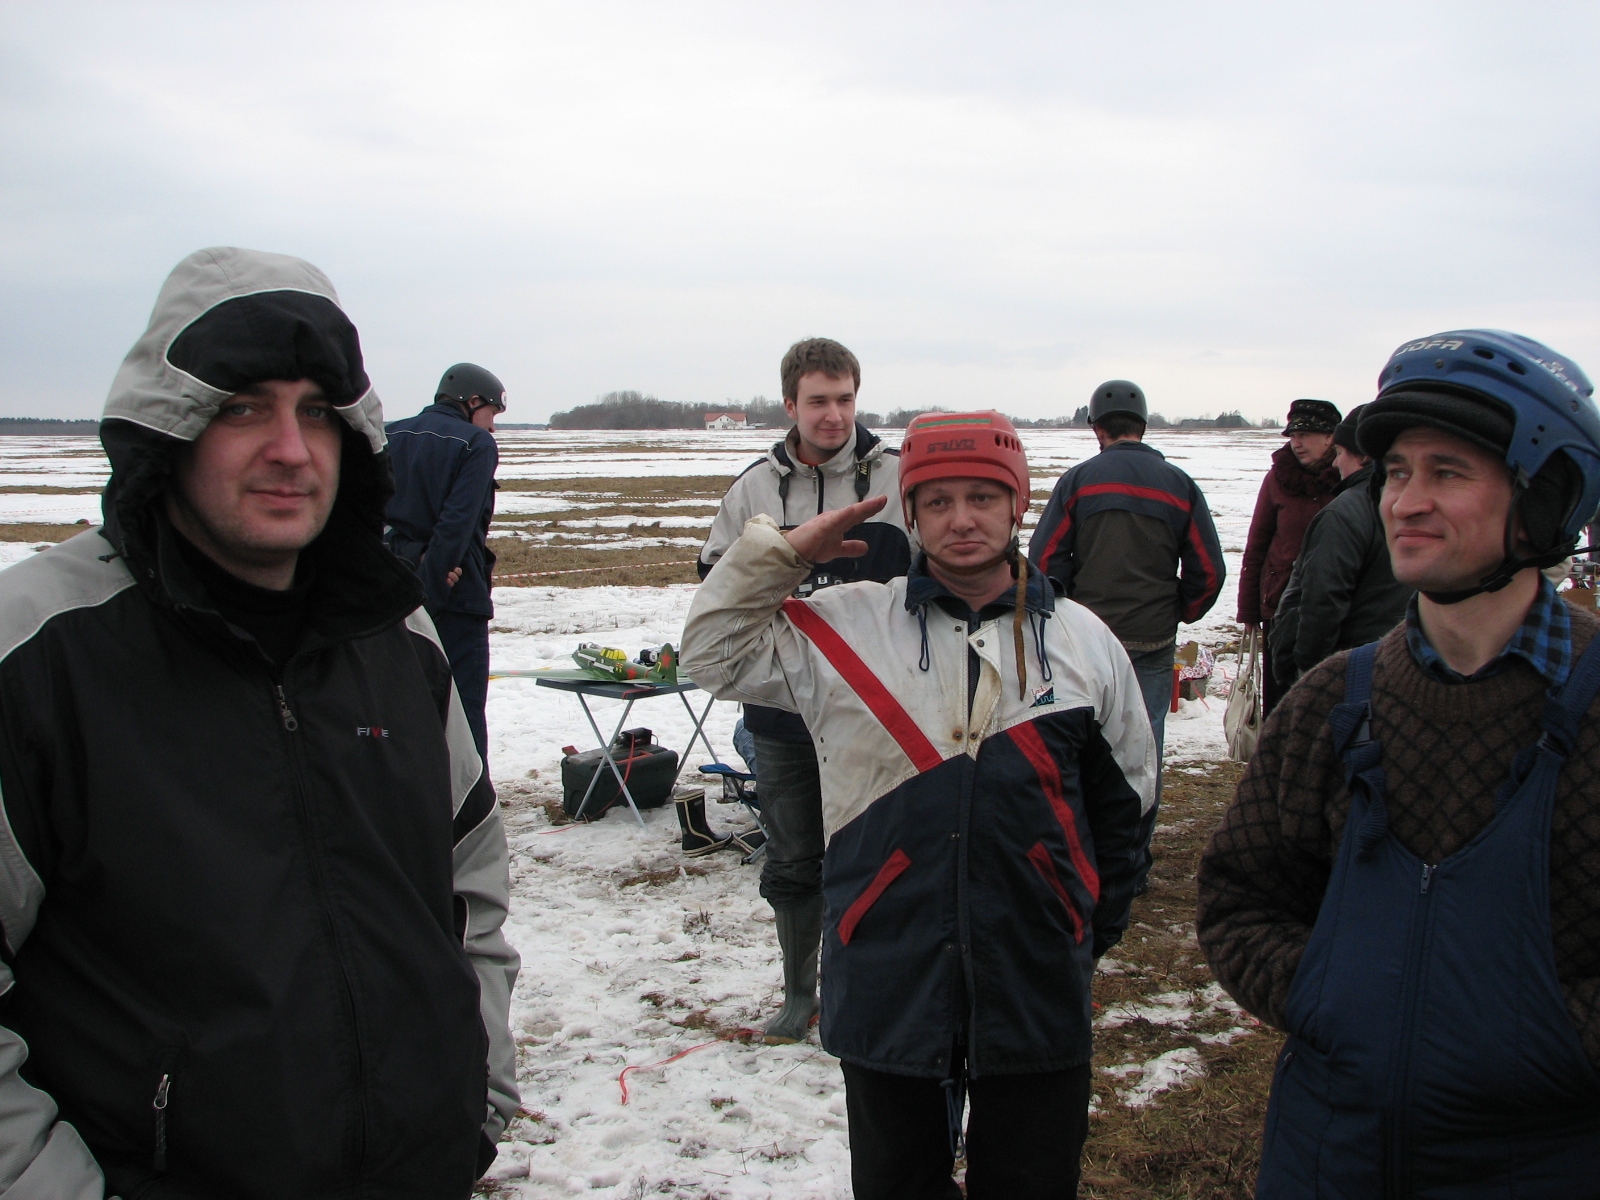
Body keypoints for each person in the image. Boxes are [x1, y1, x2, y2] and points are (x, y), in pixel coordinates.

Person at [0, 247, 520, 1198]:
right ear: (167, 427)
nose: (290, 448)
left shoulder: (397, 639)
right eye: (243, 408)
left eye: (317, 411)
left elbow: (471, 880)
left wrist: (473, 1093)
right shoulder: (39, 652)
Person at [683, 411, 1153, 1199]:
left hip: (1034, 982)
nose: (961, 519)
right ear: (910, 513)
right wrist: (782, 555)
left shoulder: (1081, 641)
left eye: (983, 498)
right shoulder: (848, 624)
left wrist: (1079, 928)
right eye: (937, 501)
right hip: (886, 974)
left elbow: (1127, 805)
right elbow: (710, 655)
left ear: (1018, 506)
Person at [1197, 329, 1600, 1195]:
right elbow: (1239, 898)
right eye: (1397, 473)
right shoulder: (1333, 702)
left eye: (1448, 473)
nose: (1406, 503)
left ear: (1545, 497)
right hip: (1328, 1155)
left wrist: (1541, 1042)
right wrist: (1335, 1001)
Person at [696, 337, 909, 1044]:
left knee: (878, 854)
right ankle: (799, 992)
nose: (833, 415)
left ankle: (868, 986)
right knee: (792, 860)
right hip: (780, 710)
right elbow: (717, 589)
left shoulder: (898, 477)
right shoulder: (754, 489)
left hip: (875, 711)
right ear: (790, 404)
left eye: (845, 399)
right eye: (818, 401)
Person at [1029, 379, 1225, 888]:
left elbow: (1045, 561)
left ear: (1096, 428)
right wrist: (1176, 612)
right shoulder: (1180, 485)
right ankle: (1130, 865)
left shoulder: (1077, 482)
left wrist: (1066, 616)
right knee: (1144, 751)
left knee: (1079, 744)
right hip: (1151, 645)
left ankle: (1079, 857)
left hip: (1085, 643)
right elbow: (1209, 571)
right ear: (1143, 425)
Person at [385, 363, 506, 763]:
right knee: (462, 716)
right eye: (491, 413)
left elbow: (372, 520)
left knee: (400, 710)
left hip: (392, 595)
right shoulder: (476, 444)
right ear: (472, 401)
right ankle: (470, 797)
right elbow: (457, 526)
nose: (492, 426)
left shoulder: (390, 435)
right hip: (456, 600)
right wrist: (431, 593)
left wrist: (406, 562)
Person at [1269, 403, 1413, 686]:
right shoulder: (1405, 503)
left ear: (1364, 455)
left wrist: (1308, 670)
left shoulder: (1343, 514)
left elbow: (1323, 601)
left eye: (1340, 453)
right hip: (1394, 659)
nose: (1335, 463)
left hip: (1348, 668)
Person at [1236, 398, 1343, 714]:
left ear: (1331, 437)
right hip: (1280, 607)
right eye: (1293, 435)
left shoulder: (1350, 478)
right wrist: (1250, 610)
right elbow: (1257, 545)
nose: (1296, 443)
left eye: (1305, 434)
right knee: (1280, 700)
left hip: (1336, 606)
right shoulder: (1277, 479)